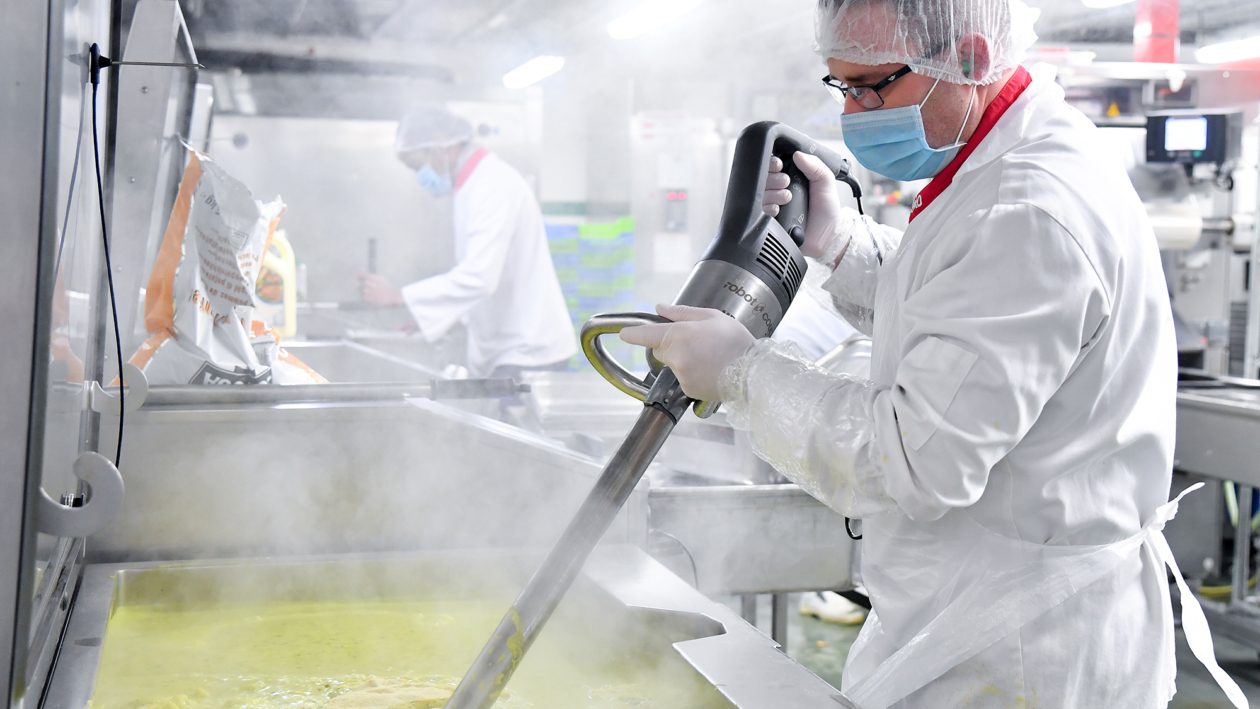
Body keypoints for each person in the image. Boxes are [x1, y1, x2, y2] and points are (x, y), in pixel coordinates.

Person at [622, 1, 1247, 707]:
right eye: (840, 87)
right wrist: (841, 242)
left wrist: (742, 374)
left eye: (870, 86)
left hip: (1020, 658)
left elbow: (916, 460)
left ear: (973, 60)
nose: (854, 113)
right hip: (982, 616)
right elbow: (960, 305)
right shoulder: (1005, 159)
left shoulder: (1028, 206)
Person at [360, 105, 576, 380]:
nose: (419, 176)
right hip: (508, 349)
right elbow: (492, 277)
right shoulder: (473, 185)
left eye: (416, 165)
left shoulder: (492, 185)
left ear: (439, 145)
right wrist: (445, 318)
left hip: (527, 353)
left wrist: (397, 296)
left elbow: (480, 277)